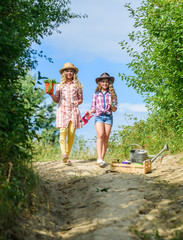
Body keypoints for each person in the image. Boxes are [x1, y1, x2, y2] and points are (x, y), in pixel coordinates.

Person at [48, 62, 83, 165]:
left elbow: (81, 99)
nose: (69, 72)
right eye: (67, 71)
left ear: (74, 73)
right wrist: (51, 94)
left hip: (73, 110)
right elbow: (57, 99)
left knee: (71, 133)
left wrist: (78, 102)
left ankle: (67, 154)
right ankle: (64, 155)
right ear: (64, 73)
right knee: (63, 132)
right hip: (62, 110)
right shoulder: (59, 86)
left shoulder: (77, 85)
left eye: (71, 71)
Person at [86, 72, 117, 167]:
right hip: (99, 116)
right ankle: (99, 158)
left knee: (106, 137)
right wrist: (90, 111)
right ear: (100, 83)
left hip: (108, 117)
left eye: (107, 82)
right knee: (100, 135)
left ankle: (102, 159)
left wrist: (111, 105)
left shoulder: (112, 95)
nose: (105, 83)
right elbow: (93, 107)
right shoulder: (96, 94)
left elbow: (114, 109)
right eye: (103, 81)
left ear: (109, 84)